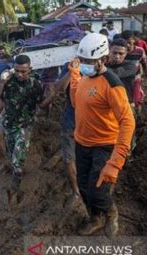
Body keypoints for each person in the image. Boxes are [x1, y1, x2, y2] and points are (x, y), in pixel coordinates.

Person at [68, 33, 135, 238]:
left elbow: (127, 121)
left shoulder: (113, 84)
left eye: (90, 61)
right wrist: (73, 77)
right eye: (83, 61)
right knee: (84, 188)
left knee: (98, 191)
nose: (85, 65)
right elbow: (76, 103)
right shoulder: (84, 78)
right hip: (82, 143)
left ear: (103, 60)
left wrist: (115, 162)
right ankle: (95, 218)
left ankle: (111, 212)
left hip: (105, 144)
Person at [0, 55, 52, 205]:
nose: (20, 74)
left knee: (17, 163)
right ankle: (11, 169)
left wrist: (51, 96)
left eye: (24, 71)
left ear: (30, 70)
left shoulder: (35, 84)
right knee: (12, 154)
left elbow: (42, 105)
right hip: (9, 124)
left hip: (24, 126)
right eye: (18, 71)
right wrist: (3, 81)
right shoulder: (9, 81)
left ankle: (14, 190)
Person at [53, 63, 82, 209]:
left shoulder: (102, 66)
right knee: (68, 157)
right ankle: (76, 192)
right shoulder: (70, 66)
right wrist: (71, 72)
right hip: (70, 119)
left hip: (92, 122)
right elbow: (58, 88)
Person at [121, 31, 147, 109]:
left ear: (134, 40)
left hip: (135, 78)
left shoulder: (139, 51)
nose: (128, 45)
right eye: (126, 43)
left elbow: (145, 66)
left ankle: (138, 115)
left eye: (130, 42)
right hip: (123, 80)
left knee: (136, 101)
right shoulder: (120, 52)